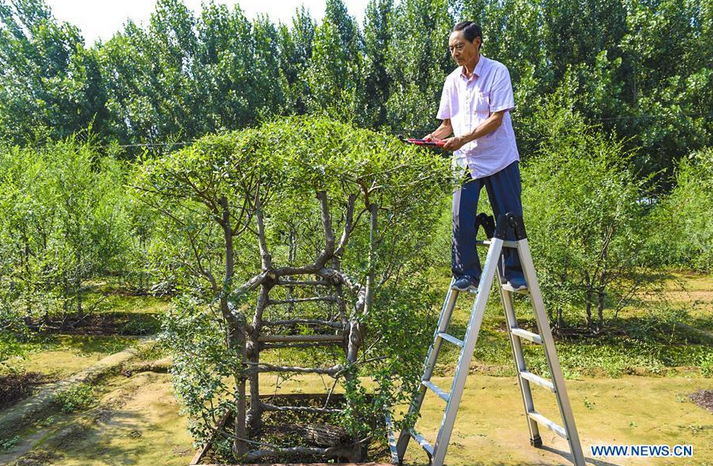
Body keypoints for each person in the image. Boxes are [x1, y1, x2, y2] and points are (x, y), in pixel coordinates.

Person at [424, 21, 526, 293]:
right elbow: (447, 125)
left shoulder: (497, 72)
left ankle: (514, 274)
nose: (455, 53)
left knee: (509, 216)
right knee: (461, 217)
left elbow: (496, 119)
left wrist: (462, 139)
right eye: (451, 48)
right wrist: (433, 137)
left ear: (477, 42)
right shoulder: (451, 81)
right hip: (466, 160)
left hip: (499, 157)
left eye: (459, 46)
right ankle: (466, 274)